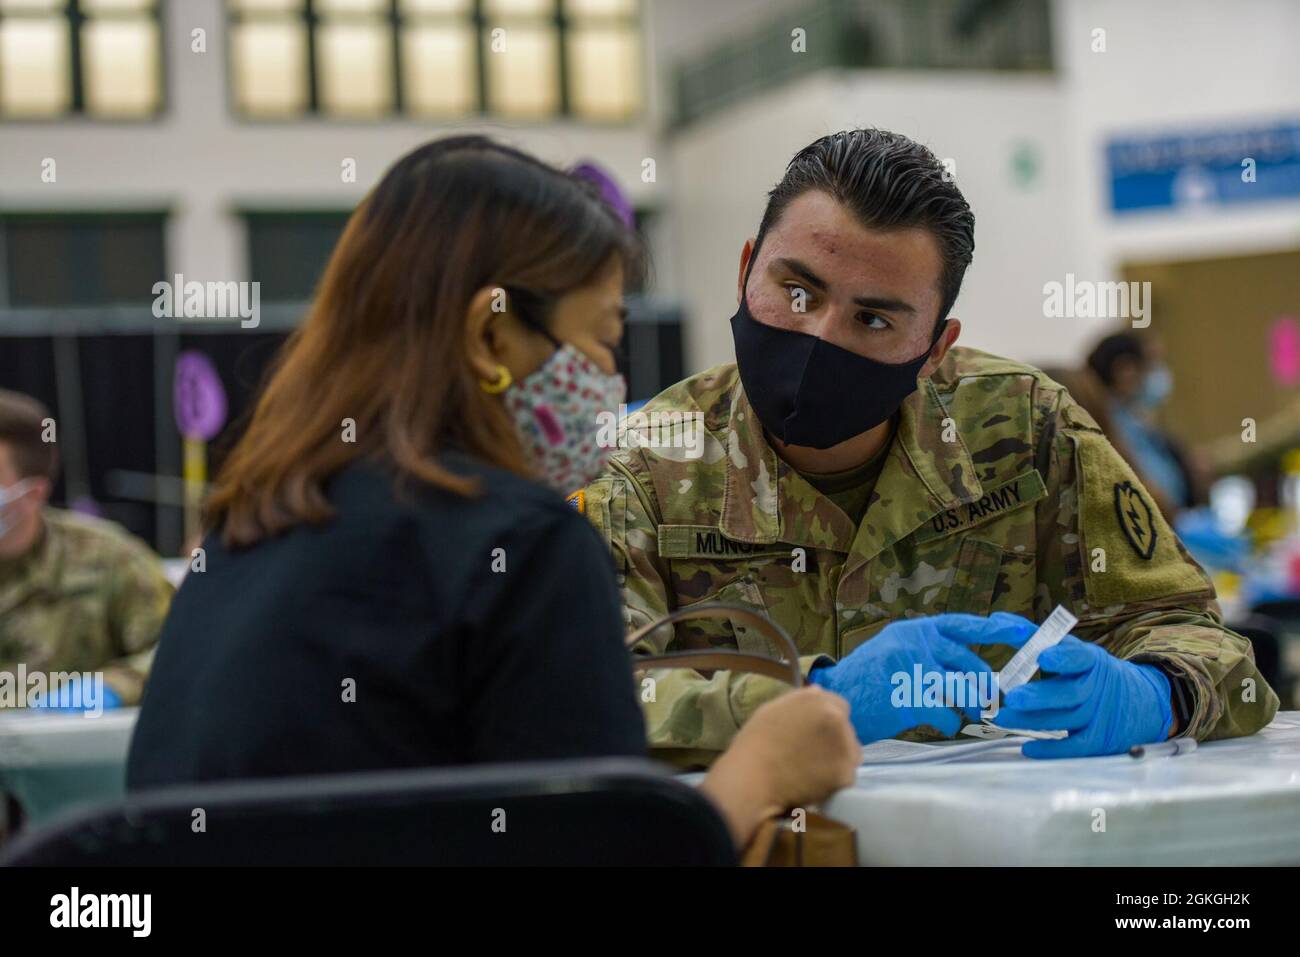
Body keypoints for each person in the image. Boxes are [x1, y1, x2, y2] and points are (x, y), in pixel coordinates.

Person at [125, 136, 860, 850]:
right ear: (491, 334)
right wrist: (761, 768)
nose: (613, 384)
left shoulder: (241, 533)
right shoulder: (522, 544)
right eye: (603, 342)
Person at [576, 128, 1279, 767]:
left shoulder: (1025, 431)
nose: (820, 336)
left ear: (935, 348)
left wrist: (1153, 692)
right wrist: (814, 698)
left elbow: (1206, 642)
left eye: (874, 317)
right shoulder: (644, 464)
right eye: (796, 291)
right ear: (745, 271)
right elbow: (589, 700)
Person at [0, 389, 172, 710]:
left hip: (69, 754)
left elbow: (180, 650)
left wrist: (110, 687)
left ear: (34, 493)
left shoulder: (107, 560)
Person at [1086, 331, 1208, 512]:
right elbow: (1154, 494)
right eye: (1151, 366)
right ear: (1125, 371)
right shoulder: (1110, 428)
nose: (1158, 375)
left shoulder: (1136, 422)